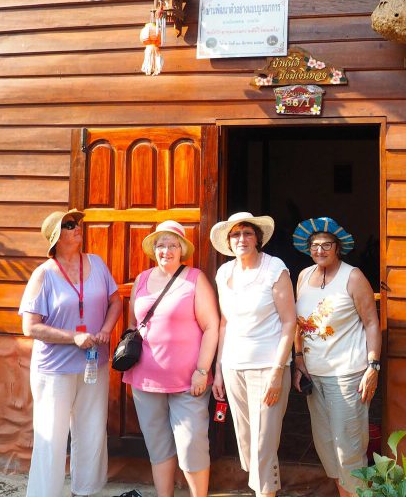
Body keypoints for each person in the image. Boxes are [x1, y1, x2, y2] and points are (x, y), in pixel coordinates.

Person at [19, 209, 122, 497]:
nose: (78, 227)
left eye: (77, 223)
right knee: (50, 438)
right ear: (56, 237)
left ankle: (85, 491)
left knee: (91, 433)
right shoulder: (43, 275)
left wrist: (105, 329)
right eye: (69, 225)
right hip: (54, 370)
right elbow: (30, 327)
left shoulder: (98, 264)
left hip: (94, 364)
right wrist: (73, 337)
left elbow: (116, 302)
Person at [122, 220, 219, 497]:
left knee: (192, 444)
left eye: (172, 244)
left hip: (189, 381)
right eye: (161, 244)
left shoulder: (195, 278)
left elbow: (212, 325)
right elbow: (133, 325)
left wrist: (203, 370)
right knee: (158, 446)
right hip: (145, 379)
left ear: (182, 249)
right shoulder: (141, 280)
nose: (166, 250)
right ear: (154, 249)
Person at [292, 217, 380, 497]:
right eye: (314, 245)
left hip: (347, 375)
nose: (320, 250)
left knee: (349, 448)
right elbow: (298, 322)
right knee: (327, 445)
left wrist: (373, 366)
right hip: (313, 374)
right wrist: (298, 359)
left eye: (326, 244)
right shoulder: (304, 276)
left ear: (338, 247)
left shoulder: (352, 276)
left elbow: (371, 323)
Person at [210, 212, 296, 497]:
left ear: (257, 238)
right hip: (234, 366)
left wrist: (277, 370)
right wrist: (219, 370)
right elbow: (224, 323)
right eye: (235, 234)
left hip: (267, 366)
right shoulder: (224, 273)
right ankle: (261, 489)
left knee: (263, 442)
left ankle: (266, 493)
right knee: (247, 441)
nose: (241, 239)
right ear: (228, 241)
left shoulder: (275, 268)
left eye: (247, 233)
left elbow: (289, 322)